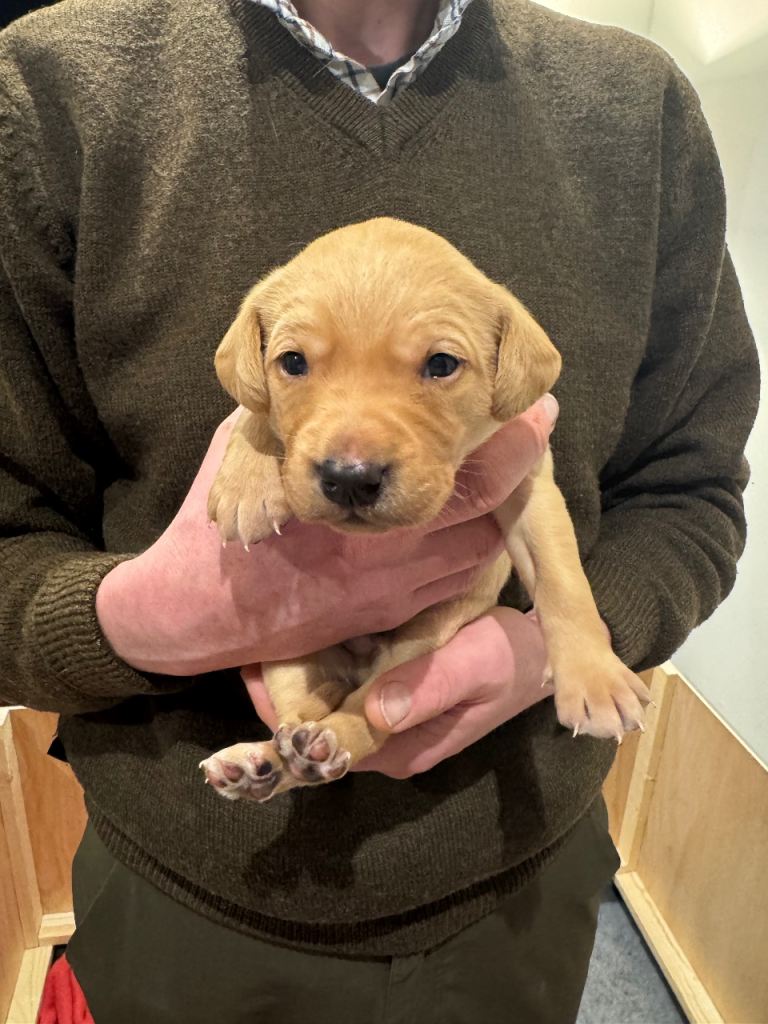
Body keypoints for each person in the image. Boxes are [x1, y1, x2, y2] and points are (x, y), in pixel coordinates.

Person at [0, 0, 758, 1021]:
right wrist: (152, 618)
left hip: (518, 870)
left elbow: (688, 487)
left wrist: (558, 645)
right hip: (186, 890)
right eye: (296, 363)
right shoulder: (47, 88)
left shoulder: (639, 105)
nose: (355, 449)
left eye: (439, 365)